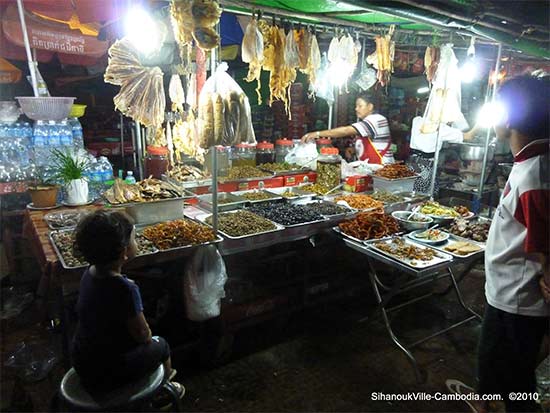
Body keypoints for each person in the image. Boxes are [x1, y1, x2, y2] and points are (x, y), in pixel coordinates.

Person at [448, 75, 549, 413]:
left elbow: (545, 241)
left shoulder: (535, 173)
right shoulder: (532, 163)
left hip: (517, 300)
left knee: (511, 382)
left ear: (508, 118)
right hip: (510, 293)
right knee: (500, 375)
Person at [71, 210, 185, 398]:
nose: (137, 241)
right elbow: (143, 335)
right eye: (134, 238)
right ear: (124, 252)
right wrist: (149, 333)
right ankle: (163, 389)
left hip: (82, 360)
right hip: (110, 371)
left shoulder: (88, 273)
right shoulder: (124, 288)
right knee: (161, 344)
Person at [301, 93, 392, 164]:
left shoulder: (377, 119)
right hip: (371, 169)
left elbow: (346, 131)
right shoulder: (366, 122)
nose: (356, 109)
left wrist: (317, 134)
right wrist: (354, 149)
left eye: (360, 106)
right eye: (356, 106)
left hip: (382, 169)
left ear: (370, 107)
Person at [408, 113, 478, 194]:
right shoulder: (441, 129)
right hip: (426, 168)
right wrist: (479, 124)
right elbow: (468, 136)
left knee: (412, 195)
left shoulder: (417, 120)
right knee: (422, 198)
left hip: (413, 163)